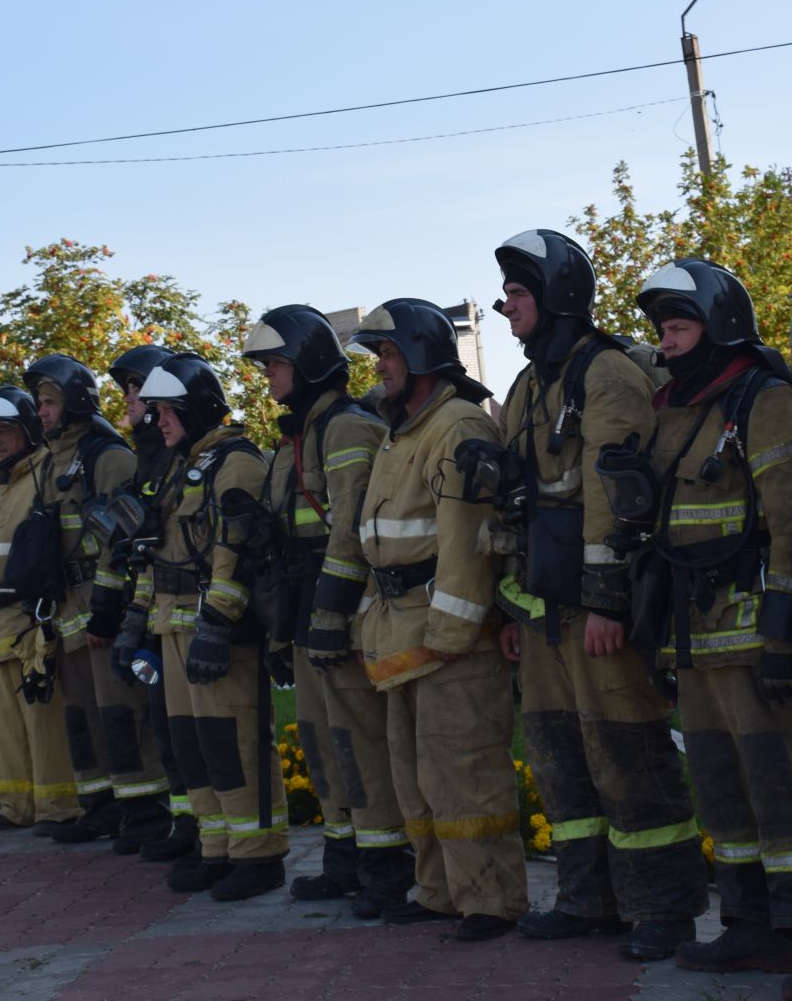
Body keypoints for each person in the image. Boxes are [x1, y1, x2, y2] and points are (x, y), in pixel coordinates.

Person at [628, 260, 792, 1001]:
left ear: (720, 327)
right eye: (662, 330)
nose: (668, 343)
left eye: (680, 326)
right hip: (694, 639)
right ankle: (752, 928)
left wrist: (787, 632)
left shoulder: (764, 401)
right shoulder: (676, 408)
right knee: (724, 793)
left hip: (756, 637)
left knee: (791, 790)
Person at [490, 230, 707, 961]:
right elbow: (519, 499)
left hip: (595, 609)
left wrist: (610, 601)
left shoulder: (605, 374)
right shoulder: (527, 385)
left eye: (518, 293)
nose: (506, 307)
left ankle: (664, 910)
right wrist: (514, 610)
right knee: (558, 754)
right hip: (545, 610)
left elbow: (614, 499)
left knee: (627, 751)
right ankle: (589, 899)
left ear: (554, 295)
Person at [351, 298, 529, 942]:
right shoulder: (404, 429)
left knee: (465, 773)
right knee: (418, 780)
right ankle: (439, 891)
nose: (381, 369)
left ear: (424, 356)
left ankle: (489, 899)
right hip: (405, 631)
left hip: (449, 639)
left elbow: (467, 541)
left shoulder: (456, 428)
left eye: (389, 355)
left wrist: (453, 634)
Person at [243, 305, 415, 917]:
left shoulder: (345, 429)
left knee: (359, 745)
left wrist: (329, 616)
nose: (268, 377)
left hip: (340, 616)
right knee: (322, 746)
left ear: (309, 364)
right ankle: (344, 862)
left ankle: (388, 868)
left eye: (276, 365)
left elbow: (349, 535)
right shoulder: (296, 438)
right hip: (306, 615)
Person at [132, 353, 288, 902]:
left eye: (169, 410)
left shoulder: (235, 463)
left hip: (217, 635)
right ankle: (217, 846)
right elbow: (158, 553)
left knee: (234, 742)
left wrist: (216, 627)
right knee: (193, 744)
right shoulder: (179, 465)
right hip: (174, 631)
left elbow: (237, 553)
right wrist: (138, 621)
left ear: (196, 408)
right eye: (154, 411)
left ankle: (258, 855)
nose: (160, 421)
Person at [24, 354, 156, 847]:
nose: (41, 411)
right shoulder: (50, 462)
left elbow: (119, 538)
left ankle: (143, 811)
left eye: (49, 402)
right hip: (65, 607)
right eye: (39, 403)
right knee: (82, 715)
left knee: (122, 712)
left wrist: (107, 606)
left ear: (74, 401)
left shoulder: (108, 455)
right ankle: (101, 806)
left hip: (102, 605)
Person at [0, 386, 81, 833]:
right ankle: (15, 805)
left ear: (28, 430)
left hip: (33, 621)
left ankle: (57, 807)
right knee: (8, 726)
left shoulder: (43, 475)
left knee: (43, 721)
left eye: (5, 429)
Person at [102, 343, 198, 861]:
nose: (132, 402)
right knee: (166, 727)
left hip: (184, 614)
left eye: (137, 391)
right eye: (130, 393)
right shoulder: (147, 455)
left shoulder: (176, 456)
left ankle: (197, 826)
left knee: (185, 730)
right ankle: (184, 822)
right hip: (154, 610)